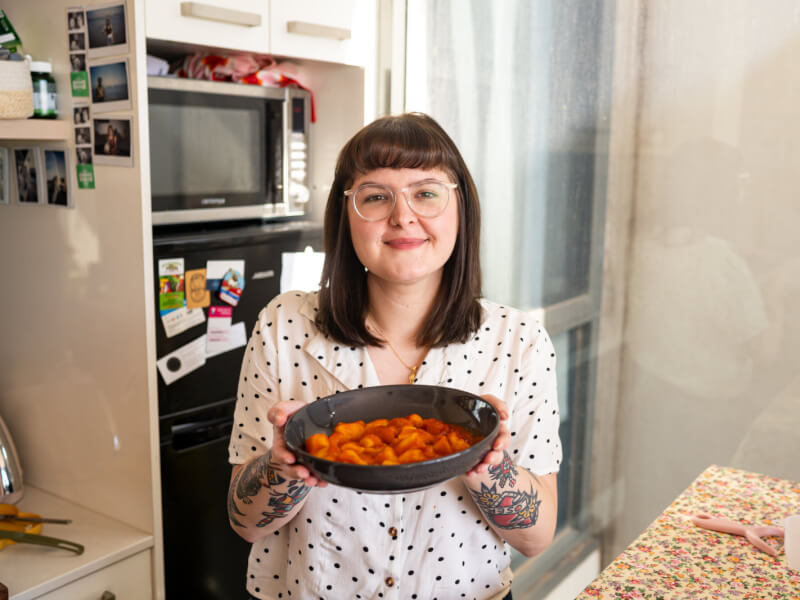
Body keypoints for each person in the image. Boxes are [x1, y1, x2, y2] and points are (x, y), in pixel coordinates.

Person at [227, 112, 562, 600]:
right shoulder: (284, 325)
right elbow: (246, 525)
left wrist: (491, 464)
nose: (403, 217)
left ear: (460, 209)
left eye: (426, 193)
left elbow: (536, 539)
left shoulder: (519, 341)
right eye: (376, 197)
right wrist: (281, 467)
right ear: (347, 218)